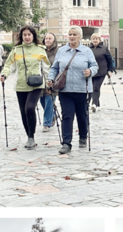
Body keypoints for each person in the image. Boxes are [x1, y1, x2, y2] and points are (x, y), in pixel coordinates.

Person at [47, 26, 98, 155]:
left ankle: (82, 137)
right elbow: (54, 68)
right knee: (67, 116)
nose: (72, 36)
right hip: (65, 90)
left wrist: (90, 71)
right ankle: (66, 143)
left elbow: (94, 65)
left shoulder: (86, 51)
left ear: (80, 37)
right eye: (70, 34)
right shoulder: (62, 51)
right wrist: (50, 78)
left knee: (82, 115)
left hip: (83, 89)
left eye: (75, 34)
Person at [0, 25, 49, 150]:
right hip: (21, 85)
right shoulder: (16, 50)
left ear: (33, 36)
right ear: (21, 37)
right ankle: (29, 136)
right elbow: (9, 65)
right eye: (25, 35)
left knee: (30, 108)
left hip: (37, 84)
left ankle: (31, 137)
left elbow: (46, 67)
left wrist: (49, 81)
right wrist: (4, 74)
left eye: (29, 34)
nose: (27, 37)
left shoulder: (40, 49)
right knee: (23, 112)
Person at [88, 33, 115, 112]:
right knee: (92, 88)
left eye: (96, 39)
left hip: (101, 71)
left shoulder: (104, 48)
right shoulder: (88, 49)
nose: (95, 40)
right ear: (91, 40)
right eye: (93, 39)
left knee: (96, 87)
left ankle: (94, 104)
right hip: (91, 71)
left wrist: (110, 70)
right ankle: (98, 104)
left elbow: (110, 60)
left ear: (99, 40)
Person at [40, 33, 59, 132]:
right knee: (42, 101)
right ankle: (52, 116)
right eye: (46, 38)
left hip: (53, 81)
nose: (47, 40)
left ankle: (46, 123)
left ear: (54, 40)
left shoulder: (58, 51)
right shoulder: (40, 50)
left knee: (49, 102)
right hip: (40, 80)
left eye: (50, 38)